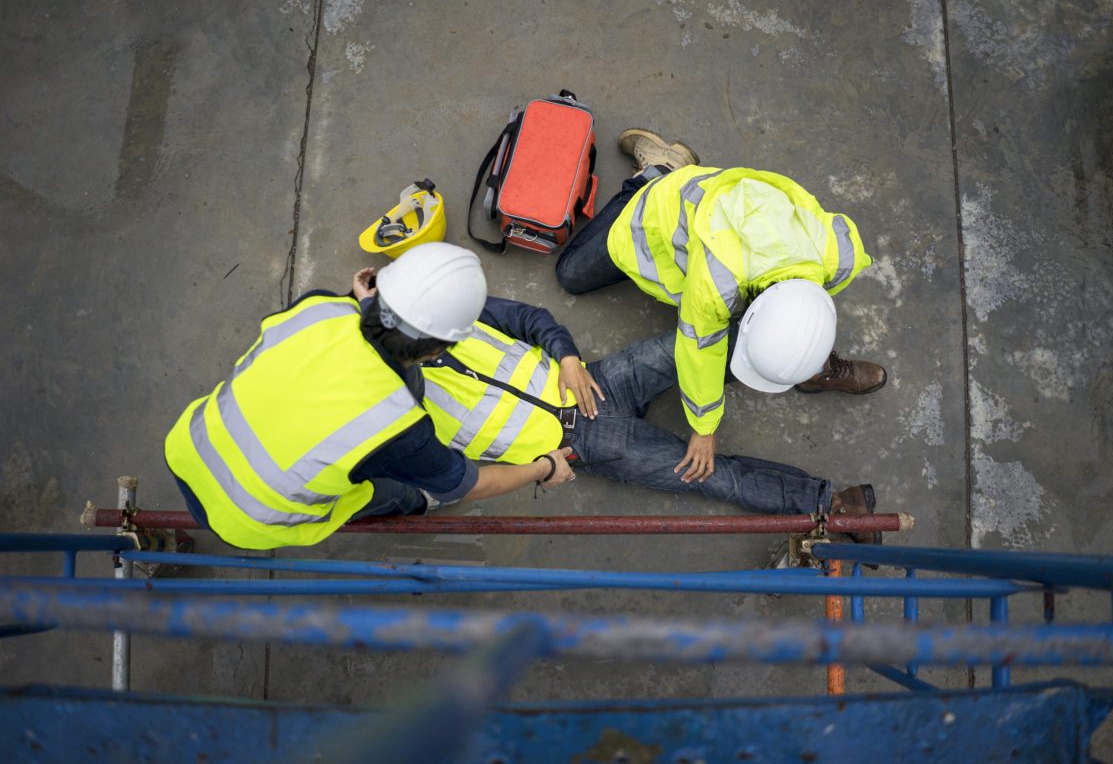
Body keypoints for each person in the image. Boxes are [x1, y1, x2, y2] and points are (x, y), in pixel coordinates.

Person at [350, 278, 881, 543]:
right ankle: (834, 505)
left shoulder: (442, 313)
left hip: (596, 382)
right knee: (712, 476)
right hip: (582, 446)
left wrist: (569, 359)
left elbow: (531, 319)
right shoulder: (397, 421)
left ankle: (803, 364)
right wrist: (544, 468)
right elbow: (445, 485)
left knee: (697, 345)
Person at [163, 243, 575, 550]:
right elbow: (470, 485)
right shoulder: (399, 425)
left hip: (189, 445)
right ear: (436, 352)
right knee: (393, 489)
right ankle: (416, 502)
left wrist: (364, 306)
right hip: (250, 518)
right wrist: (544, 467)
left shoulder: (319, 306)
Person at [555, 129, 889, 485]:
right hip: (656, 216)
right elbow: (699, 351)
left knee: (779, 333)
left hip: (724, 222)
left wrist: (804, 348)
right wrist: (704, 428)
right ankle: (658, 170)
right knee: (571, 275)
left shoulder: (840, 255)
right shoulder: (716, 283)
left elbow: (808, 312)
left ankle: (813, 368)